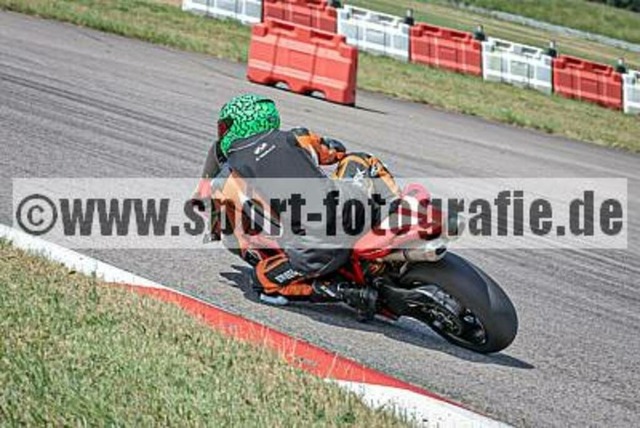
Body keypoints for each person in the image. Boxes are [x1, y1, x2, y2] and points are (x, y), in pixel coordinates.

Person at [198, 94, 400, 319]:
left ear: (239, 125)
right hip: (352, 208)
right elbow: (335, 150)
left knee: (262, 280)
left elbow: (233, 237)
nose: (222, 133)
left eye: (225, 127)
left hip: (318, 247)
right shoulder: (297, 137)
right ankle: (396, 209)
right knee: (360, 159)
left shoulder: (226, 180)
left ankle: (343, 291)